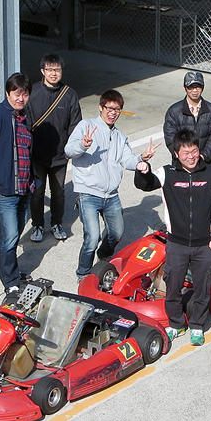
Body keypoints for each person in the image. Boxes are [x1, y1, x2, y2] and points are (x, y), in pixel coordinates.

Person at [134, 129, 211, 346]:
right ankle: (176, 324)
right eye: (185, 153)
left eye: (194, 151)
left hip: (205, 244)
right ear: (176, 153)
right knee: (173, 285)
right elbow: (145, 183)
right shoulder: (167, 172)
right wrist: (142, 166)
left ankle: (197, 325)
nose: (191, 156)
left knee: (203, 288)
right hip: (176, 243)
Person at [65, 90, 158, 281]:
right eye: (109, 107)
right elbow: (68, 150)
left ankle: (103, 255)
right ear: (101, 107)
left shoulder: (119, 137)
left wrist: (141, 159)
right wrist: (83, 145)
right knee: (91, 237)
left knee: (116, 234)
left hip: (111, 195)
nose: (113, 112)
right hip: (88, 193)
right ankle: (83, 273)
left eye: (117, 109)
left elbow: (127, 159)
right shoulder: (86, 126)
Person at [0, 73, 35, 296]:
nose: (20, 98)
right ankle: (10, 279)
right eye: (16, 93)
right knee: (10, 234)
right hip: (4, 189)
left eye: (24, 94)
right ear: (7, 93)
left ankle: (8, 267)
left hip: (24, 186)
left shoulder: (24, 116)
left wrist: (35, 179)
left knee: (16, 230)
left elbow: (28, 151)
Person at [26, 54, 82, 242]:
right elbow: (25, 123)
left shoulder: (69, 94)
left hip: (60, 155)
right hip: (37, 155)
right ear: (42, 71)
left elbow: (76, 125)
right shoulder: (32, 93)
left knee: (59, 192)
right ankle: (37, 225)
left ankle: (57, 223)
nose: (53, 73)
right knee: (37, 193)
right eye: (49, 70)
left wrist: (71, 149)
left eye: (57, 70)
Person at [163, 71, 211, 165]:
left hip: (206, 164)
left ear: (203, 87)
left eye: (198, 86)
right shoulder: (174, 111)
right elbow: (170, 139)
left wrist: (203, 156)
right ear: (185, 88)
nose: (194, 90)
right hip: (181, 164)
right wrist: (185, 157)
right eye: (190, 87)